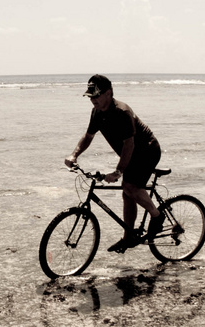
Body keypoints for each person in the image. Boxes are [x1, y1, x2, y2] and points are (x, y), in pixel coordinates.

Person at [64, 74, 164, 252]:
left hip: (147, 150)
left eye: (96, 95)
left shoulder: (122, 112)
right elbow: (88, 137)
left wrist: (118, 172)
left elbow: (129, 144)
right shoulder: (97, 112)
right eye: (90, 96)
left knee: (130, 187)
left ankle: (156, 216)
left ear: (108, 93)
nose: (92, 99)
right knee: (127, 194)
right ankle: (129, 238)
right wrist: (74, 155)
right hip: (132, 154)